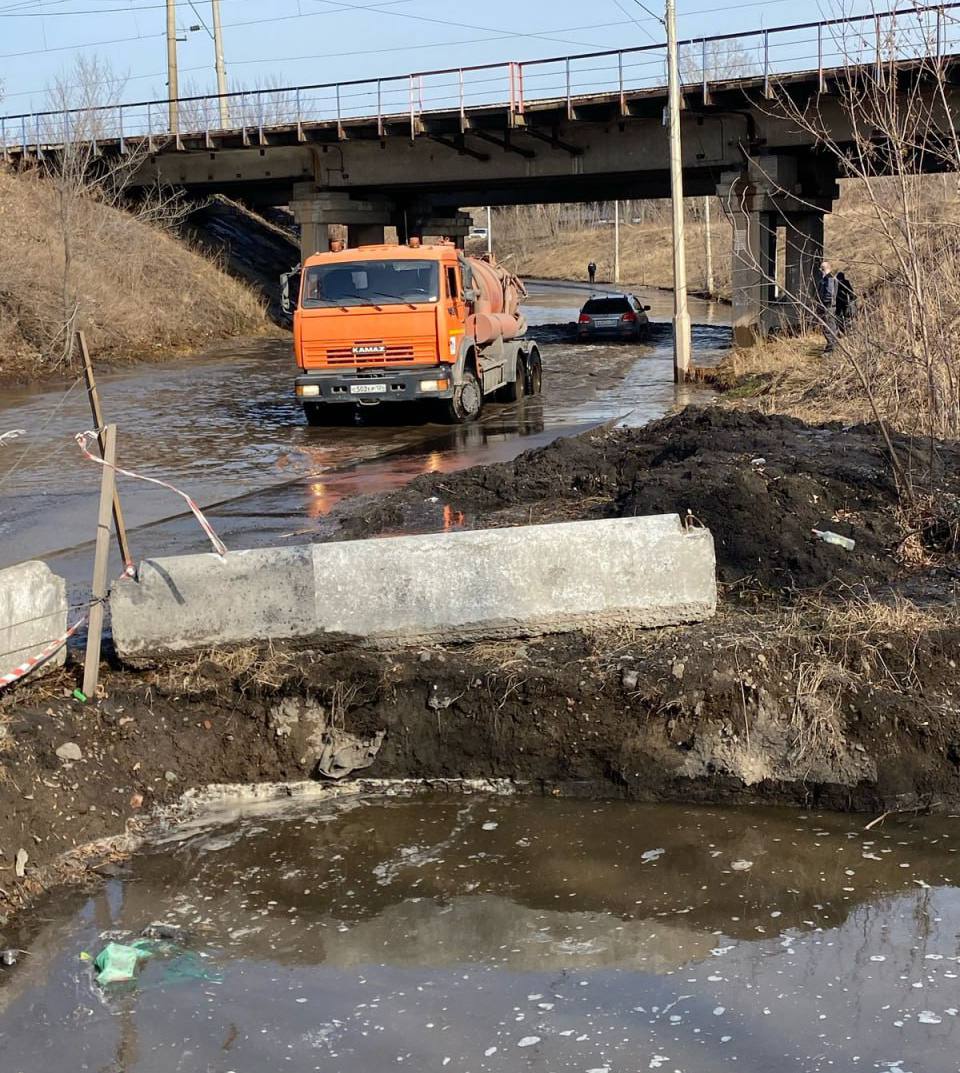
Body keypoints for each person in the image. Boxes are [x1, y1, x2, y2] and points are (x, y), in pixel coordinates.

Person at [818, 260, 838, 352]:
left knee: (828, 328)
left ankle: (831, 348)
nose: (820, 270)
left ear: (823, 269)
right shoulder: (831, 278)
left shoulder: (829, 279)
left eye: (821, 269)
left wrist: (823, 303)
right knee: (831, 327)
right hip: (830, 306)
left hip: (828, 307)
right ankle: (832, 346)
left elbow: (829, 294)